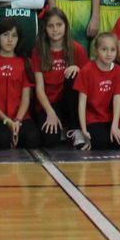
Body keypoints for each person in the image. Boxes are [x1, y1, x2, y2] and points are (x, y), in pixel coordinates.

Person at [31, 9, 88, 147]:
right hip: (49, 102)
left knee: (74, 74)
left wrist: (79, 70)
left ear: (66, 26)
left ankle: (75, 128)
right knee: (50, 140)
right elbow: (39, 89)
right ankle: (62, 127)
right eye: (50, 26)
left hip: (70, 103)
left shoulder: (77, 49)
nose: (55, 30)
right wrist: (50, 112)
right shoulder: (38, 51)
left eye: (59, 25)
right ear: (44, 29)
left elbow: (89, 83)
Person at [0, 19, 32, 150]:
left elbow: (25, 99)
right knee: (2, 140)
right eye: (5, 35)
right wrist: (7, 121)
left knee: (32, 139)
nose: (10, 40)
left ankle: (14, 134)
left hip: (20, 117)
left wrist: (17, 121)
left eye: (14, 36)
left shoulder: (25, 62)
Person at [76, 32, 120, 150]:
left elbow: (117, 99)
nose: (109, 54)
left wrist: (115, 126)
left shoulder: (118, 70)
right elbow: (81, 103)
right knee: (100, 143)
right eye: (104, 49)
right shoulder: (86, 71)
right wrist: (84, 130)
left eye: (112, 50)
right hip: (92, 119)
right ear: (96, 50)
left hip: (109, 118)